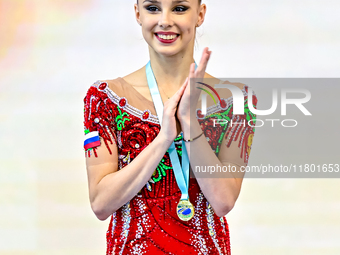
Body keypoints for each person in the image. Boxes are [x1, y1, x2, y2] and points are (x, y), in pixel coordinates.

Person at [83, 0, 257, 254]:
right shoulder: (104, 98)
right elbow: (100, 203)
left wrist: (189, 122)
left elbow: (223, 201)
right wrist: (163, 138)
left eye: (179, 8)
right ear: (137, 13)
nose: (165, 20)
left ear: (200, 14)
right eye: (153, 8)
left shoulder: (237, 101)